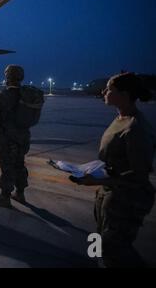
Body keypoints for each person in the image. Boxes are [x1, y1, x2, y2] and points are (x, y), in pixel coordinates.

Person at [72, 72, 155, 267]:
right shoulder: (121, 118)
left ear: (124, 94)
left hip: (126, 199)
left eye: (109, 89)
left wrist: (97, 180)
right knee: (103, 245)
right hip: (110, 193)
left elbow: (138, 175)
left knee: (116, 250)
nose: (104, 92)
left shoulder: (136, 128)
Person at [0, 65, 31, 208]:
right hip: (24, 138)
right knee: (19, 165)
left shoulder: (2, 95)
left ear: (7, 77)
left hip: (7, 139)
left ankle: (5, 197)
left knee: (7, 167)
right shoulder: (26, 95)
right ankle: (20, 193)